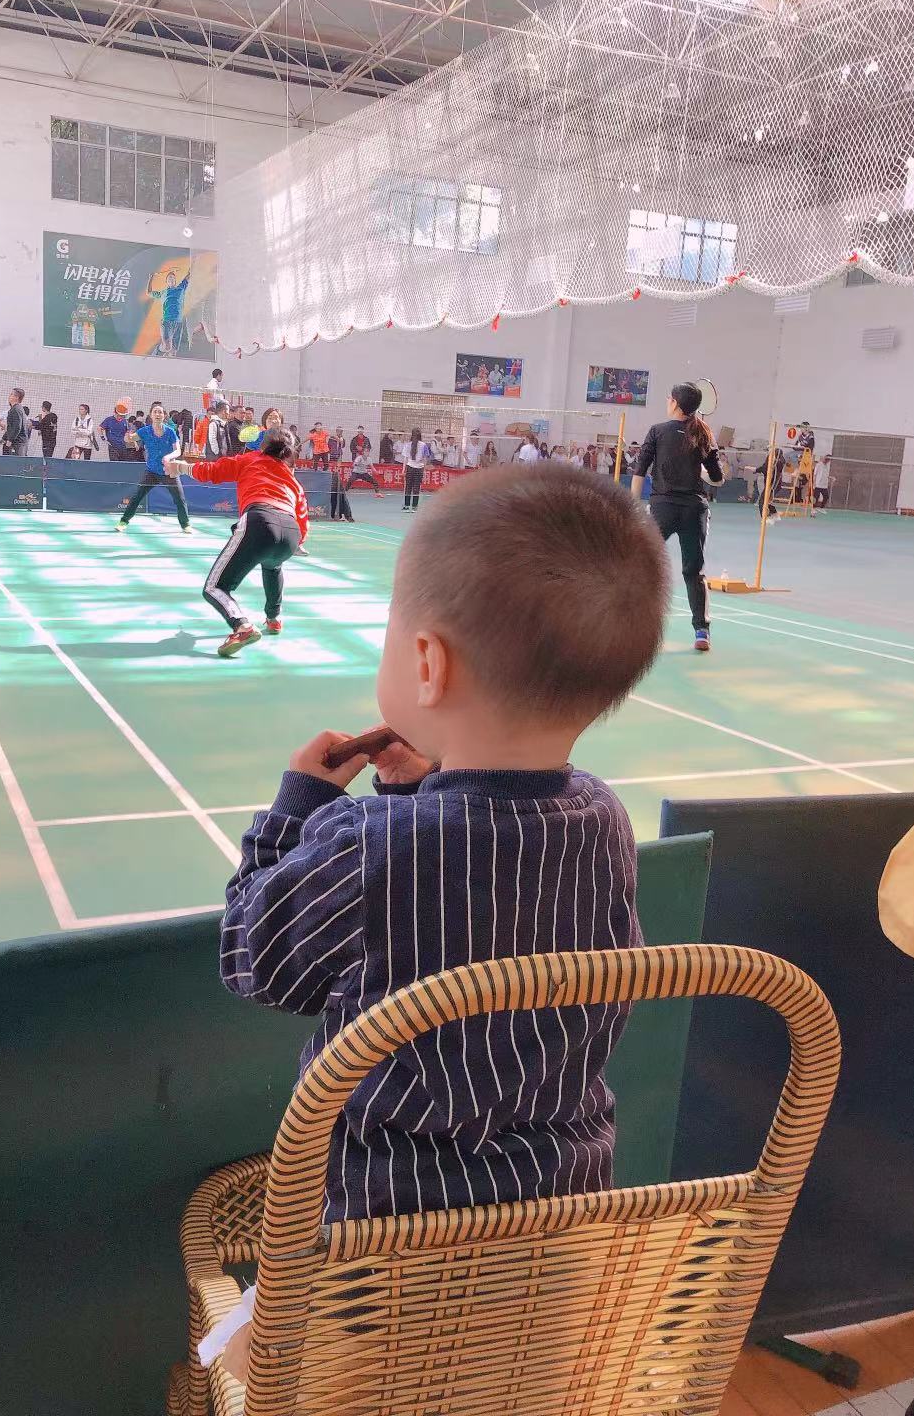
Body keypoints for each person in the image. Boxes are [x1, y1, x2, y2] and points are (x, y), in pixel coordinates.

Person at [201, 464, 669, 1377]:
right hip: (551, 1250)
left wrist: (298, 807)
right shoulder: (604, 818)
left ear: (427, 663)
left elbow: (253, 957)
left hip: (378, 1269)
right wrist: (427, 794)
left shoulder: (365, 844)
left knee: (243, 1363)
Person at [164, 426, 308, 657]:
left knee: (214, 588)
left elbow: (213, 471)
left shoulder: (251, 459)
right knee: (273, 565)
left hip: (260, 521)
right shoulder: (293, 480)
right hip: (291, 533)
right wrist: (299, 541)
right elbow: (302, 515)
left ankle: (242, 626)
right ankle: (273, 619)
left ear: (263, 445)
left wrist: (180, 467)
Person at [632, 380, 724, 653]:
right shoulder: (704, 433)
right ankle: (702, 632)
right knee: (694, 572)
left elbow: (639, 471)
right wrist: (700, 471)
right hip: (694, 511)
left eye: (668, 398)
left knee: (640, 563)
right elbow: (718, 479)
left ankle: (636, 625)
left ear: (674, 403)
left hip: (662, 509)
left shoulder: (657, 431)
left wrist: (632, 507)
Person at [116, 401, 192, 534]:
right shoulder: (145, 431)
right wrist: (128, 437)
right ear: (151, 415)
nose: (157, 414)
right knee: (136, 497)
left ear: (164, 416)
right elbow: (129, 439)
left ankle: (185, 525)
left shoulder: (170, 432)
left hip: (168, 470)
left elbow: (178, 450)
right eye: (155, 412)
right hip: (151, 471)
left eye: (160, 412)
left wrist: (168, 457)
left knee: (180, 499)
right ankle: (123, 522)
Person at [149, 268, 189, 356]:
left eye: (173, 277)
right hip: (167, 322)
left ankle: (164, 360)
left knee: (173, 352)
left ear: (175, 281)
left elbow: (189, 275)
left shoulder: (181, 288)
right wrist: (151, 277)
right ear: (166, 281)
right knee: (167, 347)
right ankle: (157, 351)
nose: (171, 278)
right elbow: (149, 292)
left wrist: (193, 263)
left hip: (178, 323)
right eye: (169, 278)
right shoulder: (163, 293)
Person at [400, 426, 431, 511]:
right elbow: (425, 459)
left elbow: (405, 459)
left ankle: (406, 506)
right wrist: (424, 471)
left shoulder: (407, 445)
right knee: (417, 488)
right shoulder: (424, 445)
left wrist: (403, 470)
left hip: (410, 468)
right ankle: (414, 507)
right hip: (419, 469)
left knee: (408, 487)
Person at [348, 428, 383, 495]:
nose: (367, 453)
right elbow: (354, 462)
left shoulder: (369, 458)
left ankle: (378, 493)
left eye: (368, 452)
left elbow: (372, 467)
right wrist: (355, 462)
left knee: (374, 481)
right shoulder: (358, 456)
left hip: (364, 473)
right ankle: (345, 491)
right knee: (350, 480)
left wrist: (376, 472)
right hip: (356, 472)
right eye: (359, 430)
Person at [0, 387, 27, 455]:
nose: (9, 396)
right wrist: (4, 438)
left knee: (16, 461)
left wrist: (10, 440)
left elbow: (17, 427)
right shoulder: (15, 408)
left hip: (17, 443)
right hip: (16, 441)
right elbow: (11, 427)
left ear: (17, 397)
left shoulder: (16, 409)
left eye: (11, 394)